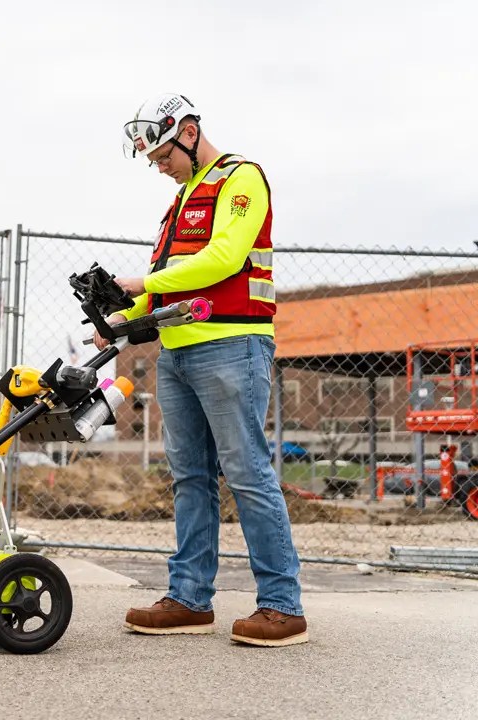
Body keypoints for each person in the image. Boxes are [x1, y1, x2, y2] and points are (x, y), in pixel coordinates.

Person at [95, 93, 306, 647]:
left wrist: (142, 286)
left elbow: (224, 258)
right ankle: (189, 598)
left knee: (247, 473)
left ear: (188, 132)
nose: (159, 166)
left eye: (163, 154)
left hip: (232, 345)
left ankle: (282, 607)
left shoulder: (241, 179)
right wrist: (120, 316)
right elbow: (171, 277)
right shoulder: (182, 199)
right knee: (190, 478)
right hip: (180, 352)